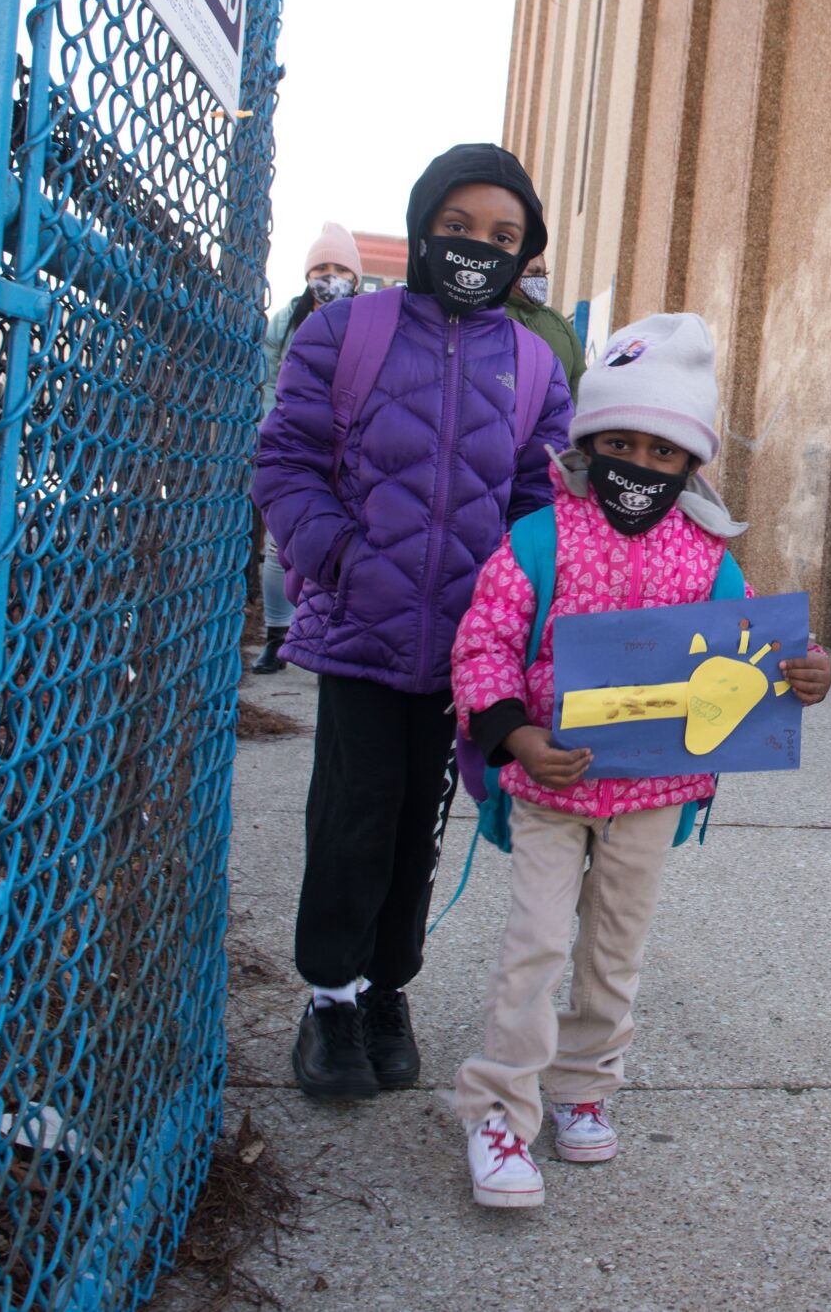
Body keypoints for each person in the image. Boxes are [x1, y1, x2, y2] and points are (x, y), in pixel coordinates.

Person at [447, 313, 831, 1208]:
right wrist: (517, 736)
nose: (638, 465)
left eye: (661, 452)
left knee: (614, 948)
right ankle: (499, 1110)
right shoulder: (539, 539)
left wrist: (804, 673)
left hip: (654, 795)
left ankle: (583, 1084)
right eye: (617, 443)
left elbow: (754, 658)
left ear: (690, 464)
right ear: (587, 444)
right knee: (535, 944)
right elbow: (483, 647)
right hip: (553, 783)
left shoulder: (710, 560)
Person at [253, 145, 576, 1101]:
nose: (479, 247)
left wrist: (520, 615)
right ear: (426, 224)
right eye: (462, 226)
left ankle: (387, 988)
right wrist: (339, 555)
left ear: (526, 256)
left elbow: (539, 500)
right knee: (352, 817)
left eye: (505, 237)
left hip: (469, 652)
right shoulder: (346, 332)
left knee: (418, 828)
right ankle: (331, 998)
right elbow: (287, 460)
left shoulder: (530, 362)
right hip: (361, 630)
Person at [253, 223, 364, 674]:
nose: (330, 276)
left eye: (340, 268)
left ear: (355, 277)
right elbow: (266, 379)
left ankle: (331, 639)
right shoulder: (286, 321)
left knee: (342, 541)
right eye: (321, 267)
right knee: (282, 545)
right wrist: (267, 432)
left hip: (349, 448)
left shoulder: (369, 319)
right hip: (298, 440)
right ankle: (276, 636)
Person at [507, 254, 587, 392]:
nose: (541, 280)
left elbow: (579, 380)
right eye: (535, 272)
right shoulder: (490, 314)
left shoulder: (557, 321)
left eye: (545, 274)